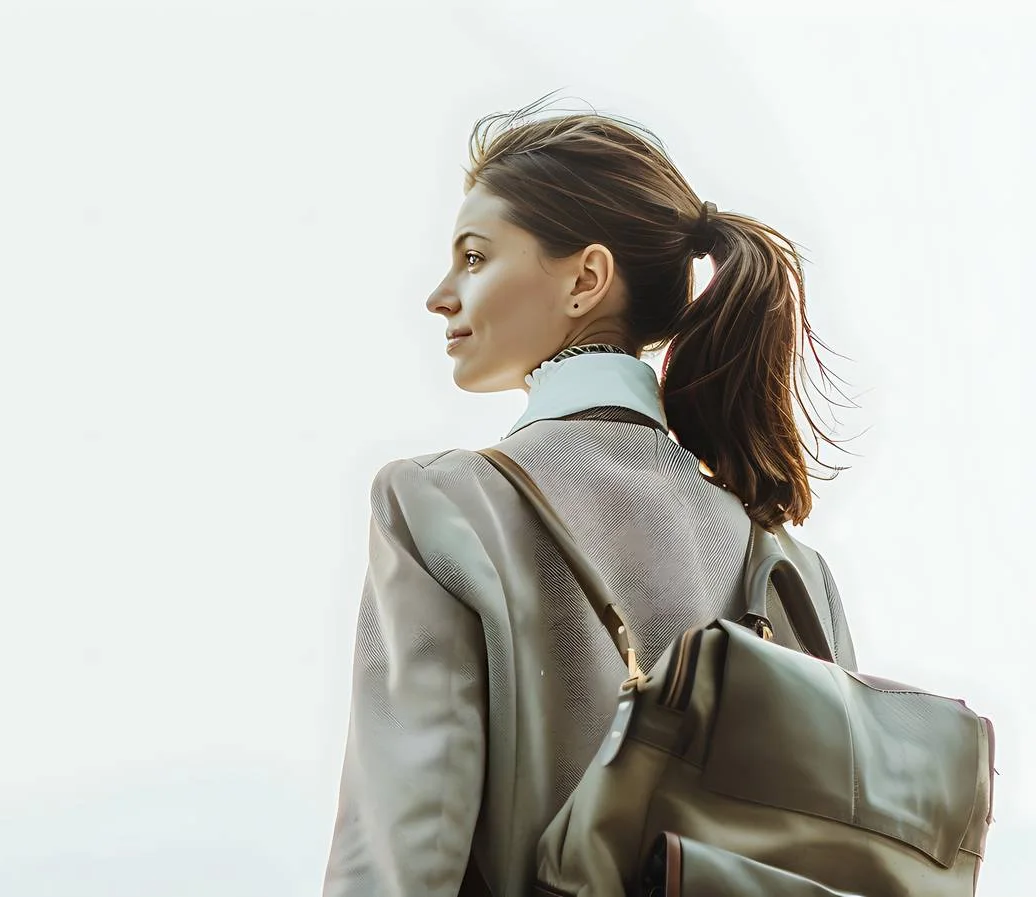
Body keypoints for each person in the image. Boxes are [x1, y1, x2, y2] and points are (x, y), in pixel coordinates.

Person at [320, 94, 862, 897]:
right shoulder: (790, 572)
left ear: (586, 279)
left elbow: (402, 853)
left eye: (474, 257)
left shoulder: (441, 509)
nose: (440, 294)